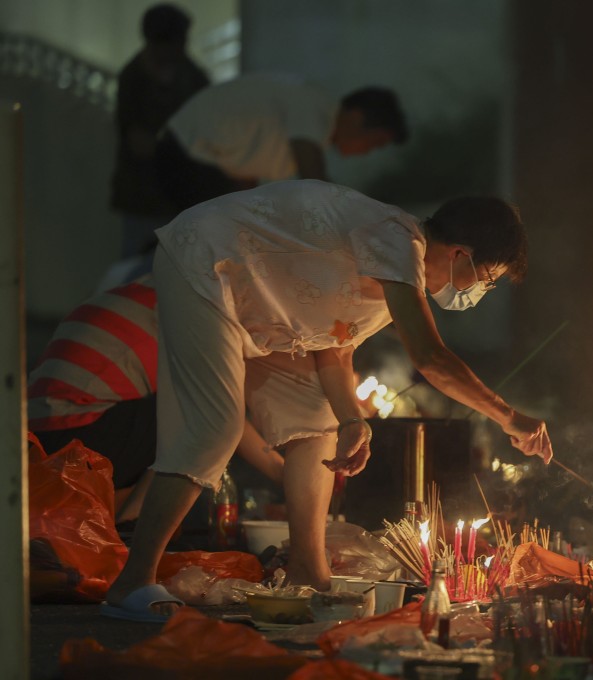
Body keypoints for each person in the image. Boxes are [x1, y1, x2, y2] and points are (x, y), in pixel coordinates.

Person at [101, 179, 553, 622]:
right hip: (205, 260)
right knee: (214, 430)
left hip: (263, 308)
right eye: (486, 279)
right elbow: (431, 358)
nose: (480, 293)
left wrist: (352, 419)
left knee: (318, 424)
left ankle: (308, 572)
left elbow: (334, 347)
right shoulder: (398, 240)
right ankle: (133, 581)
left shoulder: (393, 280)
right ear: (459, 255)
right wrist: (508, 417)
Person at [27, 276, 285, 524]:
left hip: (36, 435)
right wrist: (282, 473)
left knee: (185, 411)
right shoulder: (197, 310)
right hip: (74, 432)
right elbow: (219, 413)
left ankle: (127, 526)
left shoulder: (161, 287)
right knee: (196, 414)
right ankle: (134, 525)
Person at [154, 75, 408, 212]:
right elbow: (316, 183)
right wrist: (356, 216)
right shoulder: (316, 106)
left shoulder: (310, 125)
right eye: (375, 143)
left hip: (194, 158)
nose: (367, 152)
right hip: (184, 153)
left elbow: (246, 177)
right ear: (357, 117)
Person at [110, 3, 209, 259]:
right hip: (143, 196)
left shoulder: (192, 76)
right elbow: (138, 143)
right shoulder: (133, 79)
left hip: (183, 194)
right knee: (137, 265)